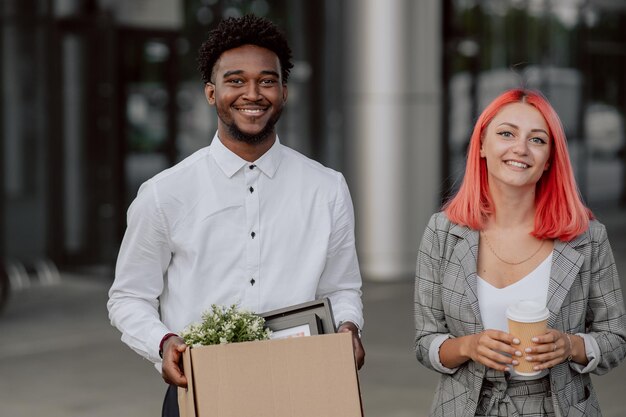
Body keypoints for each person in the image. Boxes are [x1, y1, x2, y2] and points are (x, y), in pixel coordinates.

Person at [107, 15, 364, 417]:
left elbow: (342, 287)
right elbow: (129, 296)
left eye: (266, 80)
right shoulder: (164, 193)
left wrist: (348, 327)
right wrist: (163, 343)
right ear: (211, 93)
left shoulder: (326, 187)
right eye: (235, 80)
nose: (253, 93)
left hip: (305, 386)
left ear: (283, 91)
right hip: (202, 387)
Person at [414, 88, 626, 416]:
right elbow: (425, 343)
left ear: (549, 161)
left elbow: (615, 338)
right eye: (506, 134)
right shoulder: (443, 232)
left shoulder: (587, 237)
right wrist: (467, 346)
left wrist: (571, 345)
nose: (521, 148)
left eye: (537, 140)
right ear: (482, 145)